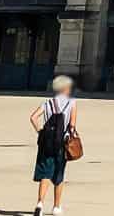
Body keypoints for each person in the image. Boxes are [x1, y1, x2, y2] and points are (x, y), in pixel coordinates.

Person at [28, 74, 79, 216]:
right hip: (61, 143)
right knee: (58, 174)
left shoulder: (48, 103)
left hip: (46, 143)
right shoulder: (72, 103)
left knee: (45, 173)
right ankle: (56, 207)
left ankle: (39, 203)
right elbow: (72, 126)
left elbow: (33, 117)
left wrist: (41, 132)